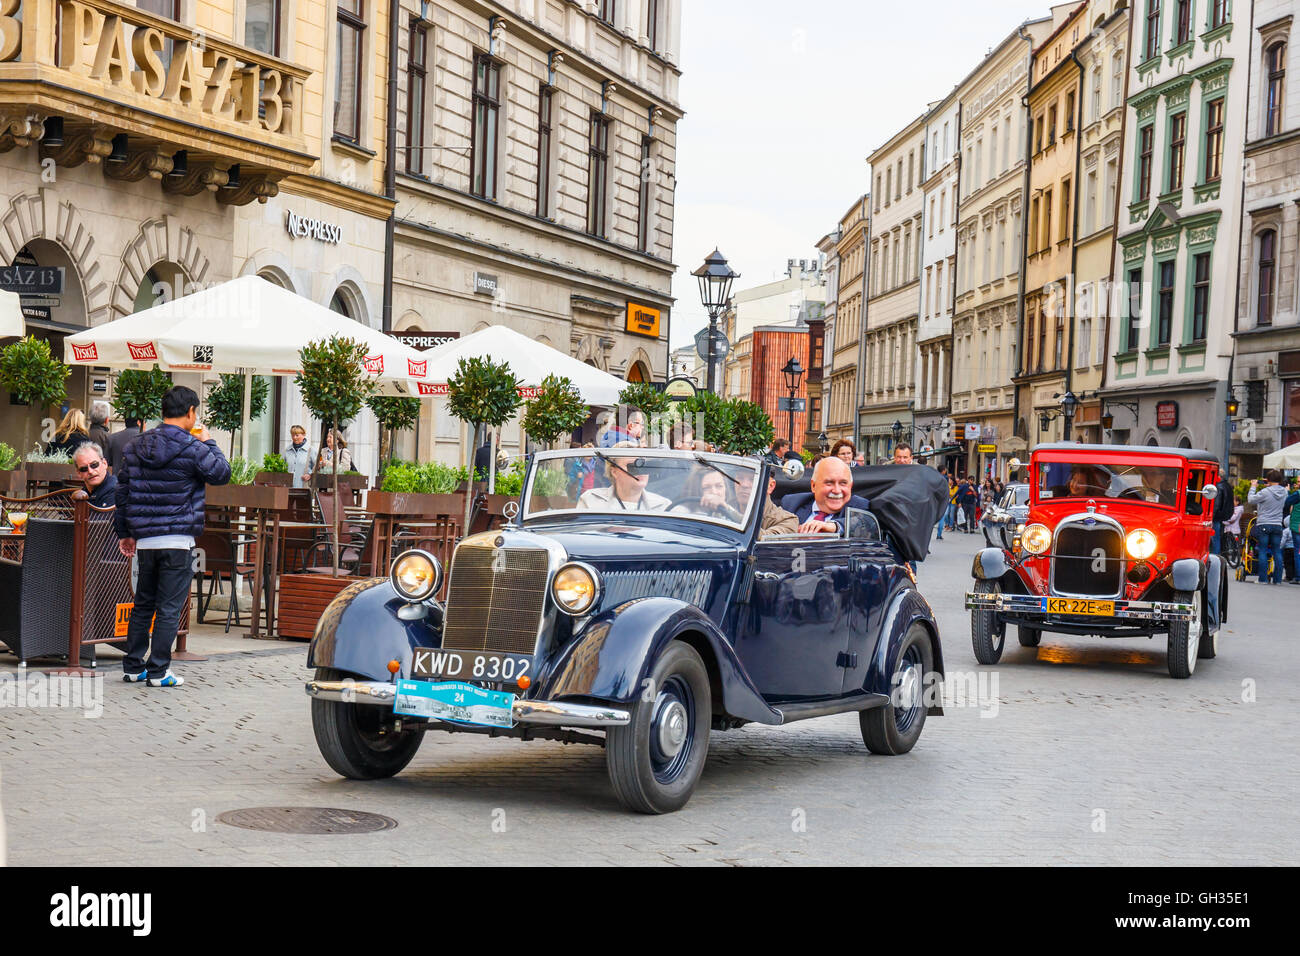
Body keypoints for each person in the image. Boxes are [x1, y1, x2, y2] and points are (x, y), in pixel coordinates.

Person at [115, 385, 231, 687]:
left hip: (145, 541)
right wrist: (210, 442)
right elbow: (221, 473)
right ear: (191, 413)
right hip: (178, 540)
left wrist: (124, 533)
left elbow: (122, 491)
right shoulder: (194, 448)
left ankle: (132, 666)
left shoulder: (137, 445)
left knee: (143, 604)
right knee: (168, 606)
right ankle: (158, 671)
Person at [780, 456, 870, 535]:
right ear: (813, 486)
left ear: (850, 486)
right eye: (829, 483)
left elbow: (864, 523)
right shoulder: (791, 503)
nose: (836, 490)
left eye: (843, 483)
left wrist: (834, 526)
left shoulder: (859, 506)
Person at [577, 442, 669, 511]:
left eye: (643, 464)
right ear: (614, 472)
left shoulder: (663, 506)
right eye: (632, 466)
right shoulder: (591, 500)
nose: (640, 471)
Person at [1248, 470, 1288, 585]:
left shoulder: (1265, 492)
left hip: (1264, 523)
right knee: (1277, 552)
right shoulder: (1284, 492)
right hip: (1277, 525)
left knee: (1263, 550)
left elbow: (1251, 500)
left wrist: (1253, 487)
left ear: (1268, 479)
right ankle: (1277, 580)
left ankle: (1263, 579)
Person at [735, 469, 798, 537]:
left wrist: (729, 512)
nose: (744, 485)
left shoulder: (787, 520)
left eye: (753, 479)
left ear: (770, 486)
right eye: (740, 478)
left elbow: (765, 539)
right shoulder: (721, 510)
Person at [73, 443, 116, 508]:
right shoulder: (83, 494)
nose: (90, 471)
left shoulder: (117, 491)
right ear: (79, 473)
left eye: (94, 465)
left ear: (104, 463)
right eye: (84, 469)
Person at [285, 425, 314, 489]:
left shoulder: (311, 450)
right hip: (288, 488)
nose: (294, 437)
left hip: (304, 488)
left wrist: (310, 474)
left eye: (297, 435)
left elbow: (318, 467)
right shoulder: (287, 450)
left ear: (303, 435)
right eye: (292, 435)